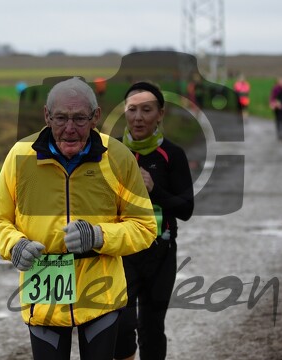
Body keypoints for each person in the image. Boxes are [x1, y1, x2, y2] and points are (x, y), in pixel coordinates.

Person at [0, 77, 157, 360]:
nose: (70, 129)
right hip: (44, 293)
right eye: (61, 118)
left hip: (101, 294)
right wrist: (15, 245)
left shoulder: (119, 158)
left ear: (96, 117)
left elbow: (145, 226)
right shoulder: (20, 156)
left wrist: (98, 236)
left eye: (79, 119)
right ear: (47, 117)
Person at [114, 81, 194, 360]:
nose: (138, 117)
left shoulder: (172, 155)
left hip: (160, 252)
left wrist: (153, 189)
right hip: (122, 253)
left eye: (146, 110)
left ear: (160, 114)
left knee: (151, 328)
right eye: (132, 110)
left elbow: (186, 209)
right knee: (121, 327)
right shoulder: (110, 153)